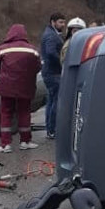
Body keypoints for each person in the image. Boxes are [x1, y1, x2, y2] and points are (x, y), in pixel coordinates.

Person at [0, 24, 41, 153]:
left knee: (6, 113)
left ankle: (5, 144)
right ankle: (25, 141)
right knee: (24, 112)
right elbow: (37, 67)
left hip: (6, 87)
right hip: (25, 86)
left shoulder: (2, 49)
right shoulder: (33, 50)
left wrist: (3, 76)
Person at [41, 12, 66, 140]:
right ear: (53, 22)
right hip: (53, 73)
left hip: (50, 72)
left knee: (51, 101)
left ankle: (50, 129)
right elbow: (51, 52)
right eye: (60, 22)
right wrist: (62, 61)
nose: (63, 24)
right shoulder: (51, 36)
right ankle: (52, 129)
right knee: (55, 102)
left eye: (63, 22)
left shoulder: (51, 33)